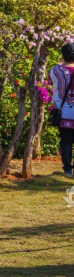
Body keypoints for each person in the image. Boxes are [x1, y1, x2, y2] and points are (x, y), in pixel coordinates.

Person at [50, 42, 74, 176]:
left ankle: (67, 169)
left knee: (65, 140)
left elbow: (50, 82)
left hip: (63, 113)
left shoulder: (55, 70)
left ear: (63, 55)